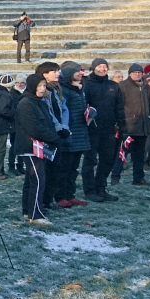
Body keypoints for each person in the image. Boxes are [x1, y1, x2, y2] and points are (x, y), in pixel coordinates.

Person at [15, 73, 62, 226]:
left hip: (40, 146)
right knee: (38, 179)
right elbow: (34, 127)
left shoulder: (40, 102)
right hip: (30, 146)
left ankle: (28, 210)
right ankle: (35, 213)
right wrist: (54, 138)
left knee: (32, 180)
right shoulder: (26, 103)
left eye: (44, 86)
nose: (42, 89)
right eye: (39, 86)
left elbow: (47, 123)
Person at [82, 58, 126, 203]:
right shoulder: (86, 85)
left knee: (107, 160)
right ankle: (89, 190)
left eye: (105, 66)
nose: (102, 69)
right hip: (91, 130)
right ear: (93, 68)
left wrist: (123, 126)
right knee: (90, 161)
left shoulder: (113, 86)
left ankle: (101, 187)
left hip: (109, 130)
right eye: (99, 66)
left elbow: (119, 108)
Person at [114, 63, 150, 187]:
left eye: (139, 72)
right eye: (135, 72)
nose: (137, 74)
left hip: (143, 127)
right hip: (128, 127)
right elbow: (118, 106)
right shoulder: (122, 86)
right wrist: (120, 124)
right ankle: (115, 177)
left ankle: (138, 178)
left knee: (139, 155)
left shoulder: (146, 87)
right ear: (130, 73)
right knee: (122, 154)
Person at [36, 61, 70, 208]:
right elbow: (49, 113)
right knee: (47, 170)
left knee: (56, 168)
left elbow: (63, 109)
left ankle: (49, 200)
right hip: (49, 135)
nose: (58, 74)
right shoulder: (42, 92)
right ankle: (43, 201)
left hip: (58, 133)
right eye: (54, 71)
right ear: (44, 74)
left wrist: (64, 126)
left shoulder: (56, 89)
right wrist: (58, 127)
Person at [57, 62, 90, 208]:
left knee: (73, 169)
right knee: (64, 168)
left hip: (80, 133)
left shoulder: (80, 89)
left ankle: (70, 195)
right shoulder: (64, 90)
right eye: (77, 71)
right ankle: (60, 196)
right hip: (69, 134)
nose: (80, 73)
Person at [8, 74, 27, 175]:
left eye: (22, 83)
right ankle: (11, 166)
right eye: (18, 83)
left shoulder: (27, 93)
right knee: (14, 146)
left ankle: (20, 165)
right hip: (15, 124)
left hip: (24, 124)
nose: (20, 84)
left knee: (23, 146)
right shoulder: (12, 93)